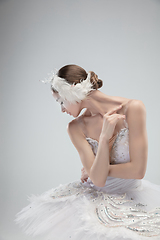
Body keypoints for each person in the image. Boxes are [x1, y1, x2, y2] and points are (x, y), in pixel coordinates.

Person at [15, 64, 160, 240]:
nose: (62, 109)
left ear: (72, 91)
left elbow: (138, 171)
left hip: (133, 196)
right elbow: (98, 180)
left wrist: (94, 169)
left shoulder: (133, 108)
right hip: (94, 198)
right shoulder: (75, 127)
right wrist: (105, 136)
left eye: (61, 101)